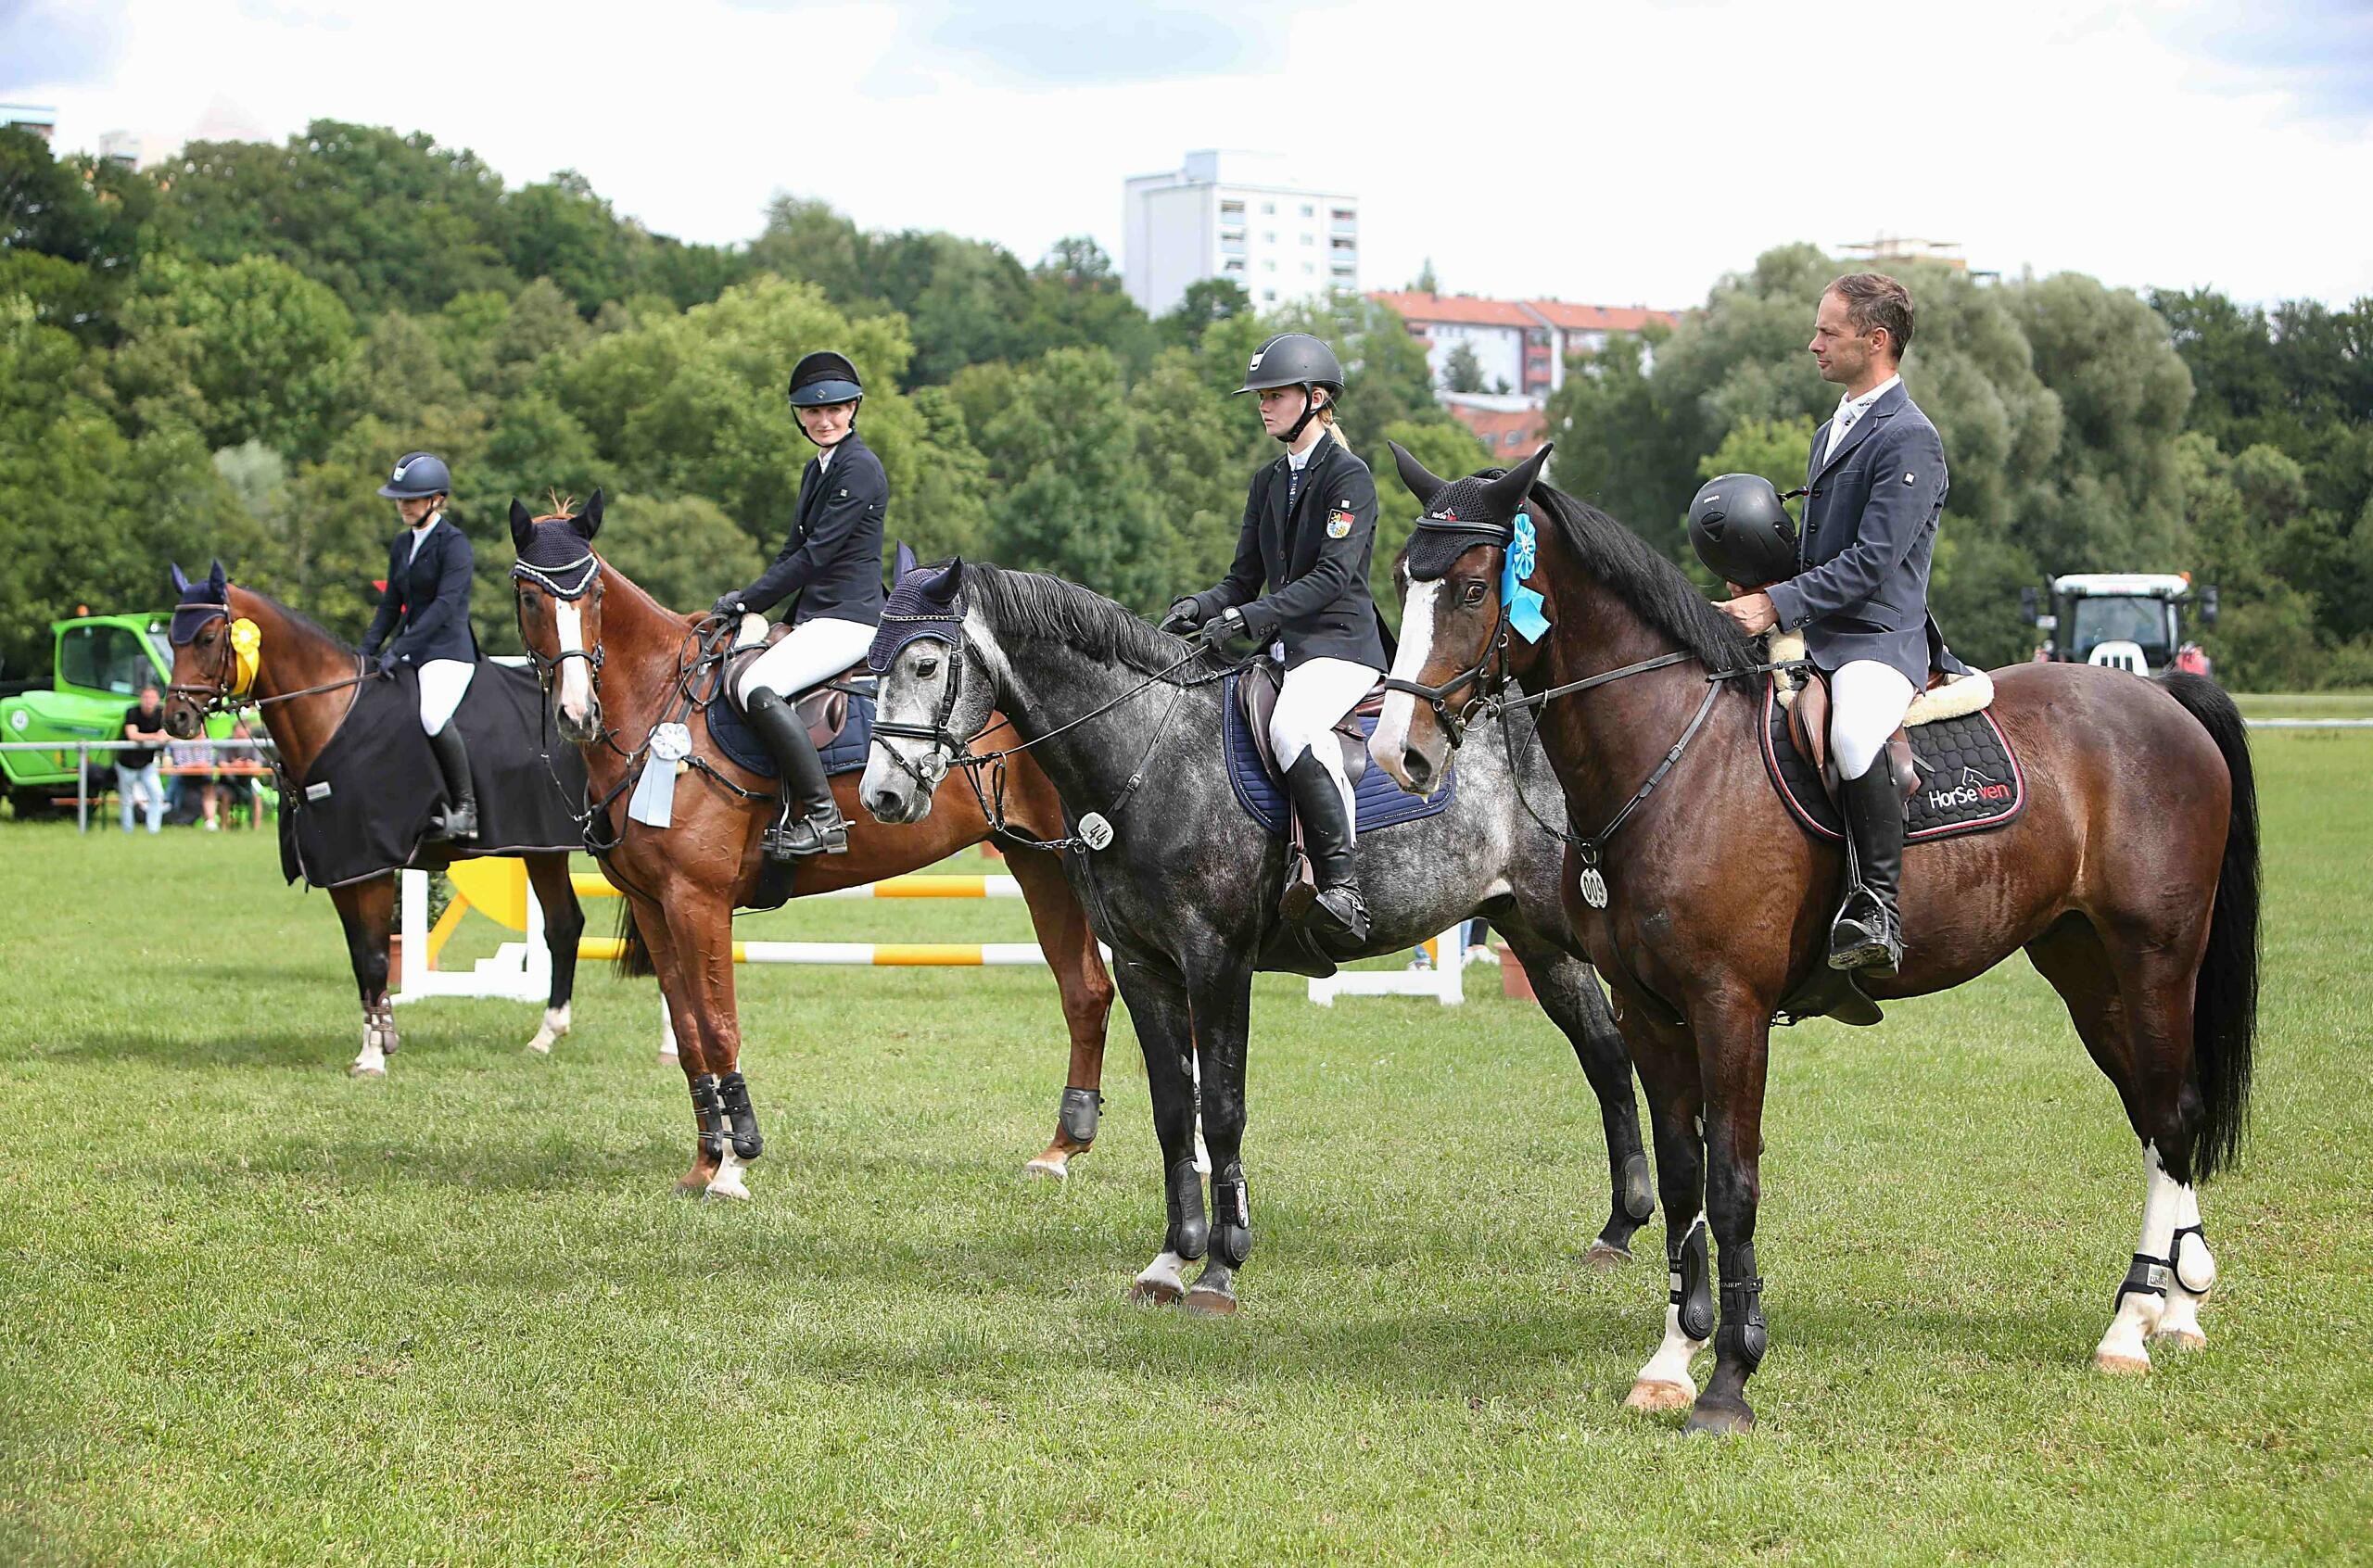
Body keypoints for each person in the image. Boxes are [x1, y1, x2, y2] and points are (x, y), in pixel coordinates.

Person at [1716, 272, 1953, 978]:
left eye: (1828, 331)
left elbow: (1876, 562)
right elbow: (1824, 551)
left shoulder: (1910, 439)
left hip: (1879, 635)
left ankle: (1876, 905)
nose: (1812, 342)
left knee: (1852, 732)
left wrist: (1777, 604)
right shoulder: (1833, 430)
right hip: (1818, 627)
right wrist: (1761, 573)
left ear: (1875, 341)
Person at [1161, 333, 1389, 945]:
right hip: (1285, 653)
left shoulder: (1349, 478)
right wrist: (1200, 606)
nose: (1264, 405)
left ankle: (1342, 889)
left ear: (1315, 398)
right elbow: (1243, 577)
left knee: (1291, 728)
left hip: (1341, 650)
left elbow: (1332, 577)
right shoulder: (1269, 481)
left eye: (1276, 394)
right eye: (1261, 395)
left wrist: (1249, 619)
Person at [712, 350, 886, 858]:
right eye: (813, 411)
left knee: (757, 686)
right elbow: (793, 548)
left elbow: (815, 556)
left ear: (853, 409)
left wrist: (750, 598)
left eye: (835, 410)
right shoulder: (819, 468)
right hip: (817, 615)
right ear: (800, 416)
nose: (824, 419)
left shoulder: (860, 468)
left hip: (851, 618)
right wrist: (753, 609)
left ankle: (823, 816)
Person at [361, 451, 479, 841]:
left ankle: (466, 809)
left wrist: (400, 647)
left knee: (430, 716)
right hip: (413, 650)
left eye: (411, 499)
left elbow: (445, 608)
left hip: (448, 651)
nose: (403, 506)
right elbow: (391, 604)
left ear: (437, 500)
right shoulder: (401, 545)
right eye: (400, 499)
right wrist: (367, 650)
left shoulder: (455, 544)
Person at [118, 683, 169, 834]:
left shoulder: (162, 713)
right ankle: (127, 831)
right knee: (126, 799)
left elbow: (169, 733)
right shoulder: (132, 712)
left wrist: (164, 736)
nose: (149, 701)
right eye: (146, 697)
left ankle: (153, 830)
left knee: (157, 794)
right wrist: (154, 737)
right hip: (127, 763)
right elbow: (132, 734)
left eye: (152, 697)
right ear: (141, 699)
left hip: (147, 763)